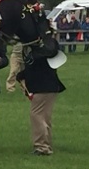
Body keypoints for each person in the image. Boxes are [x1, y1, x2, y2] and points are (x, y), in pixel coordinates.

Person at [17, 24, 66, 156]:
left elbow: (45, 55)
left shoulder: (47, 44)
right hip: (45, 86)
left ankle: (42, 146)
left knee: (36, 115)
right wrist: (21, 76)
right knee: (44, 116)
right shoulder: (36, 46)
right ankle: (46, 144)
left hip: (44, 86)